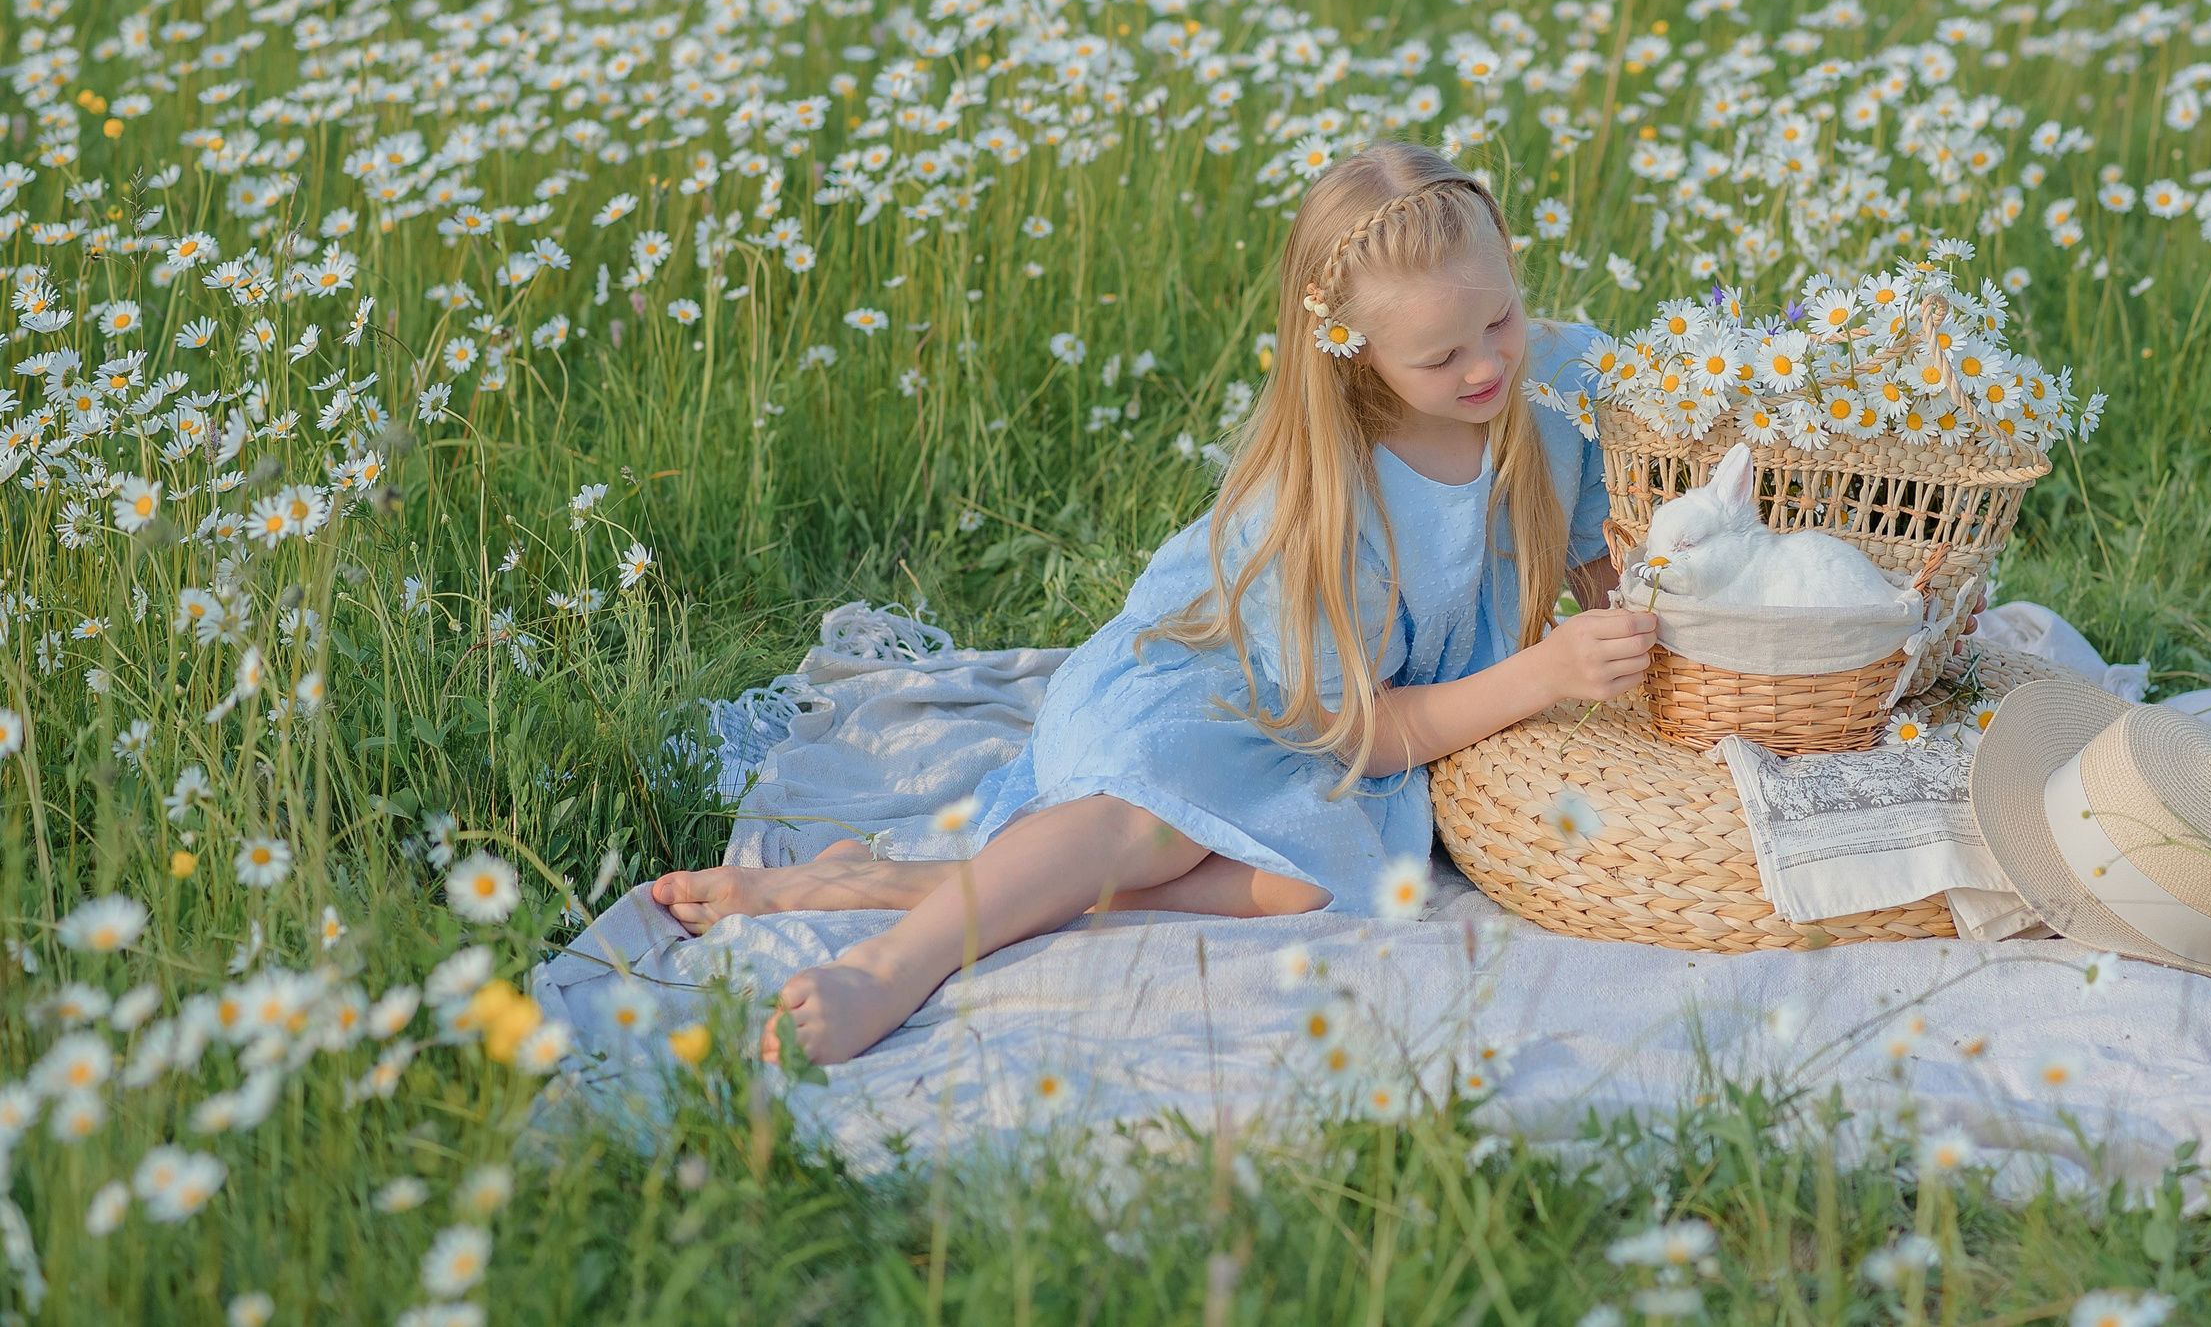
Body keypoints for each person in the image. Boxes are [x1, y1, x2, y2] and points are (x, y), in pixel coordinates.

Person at [650, 141, 1656, 1063]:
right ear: (1352, 352)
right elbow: (1360, 732)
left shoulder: (1558, 385)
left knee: (1308, 878)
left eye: (1501, 319)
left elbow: (1602, 548)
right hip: (1225, 690)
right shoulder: (1319, 502)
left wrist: (1632, 638)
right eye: (1439, 357)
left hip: (1360, 716)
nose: (1486, 363)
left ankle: (901, 881)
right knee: (1155, 827)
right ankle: (893, 961)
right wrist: (1542, 673)